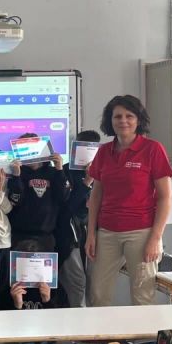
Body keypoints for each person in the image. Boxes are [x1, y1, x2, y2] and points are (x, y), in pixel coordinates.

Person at [86, 95, 172, 307]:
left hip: (141, 233)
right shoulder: (103, 152)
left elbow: (165, 197)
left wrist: (155, 238)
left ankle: (143, 332)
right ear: (110, 120)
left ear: (138, 119)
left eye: (129, 116)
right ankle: (100, 331)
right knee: (97, 294)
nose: (123, 121)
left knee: (142, 296)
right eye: (117, 116)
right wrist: (91, 234)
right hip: (107, 233)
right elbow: (96, 195)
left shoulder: (152, 149)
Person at [54, 130, 101, 307]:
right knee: (77, 282)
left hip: (96, 232)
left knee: (95, 284)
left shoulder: (104, 171)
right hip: (70, 235)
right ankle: (77, 318)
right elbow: (66, 207)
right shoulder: (65, 171)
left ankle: (91, 318)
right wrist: (87, 182)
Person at [7, 133, 69, 251]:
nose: (30, 153)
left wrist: (59, 169)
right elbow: (15, 200)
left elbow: (63, 197)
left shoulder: (54, 172)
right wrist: (16, 176)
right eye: (25, 149)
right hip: (19, 234)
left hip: (46, 234)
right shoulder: (16, 173)